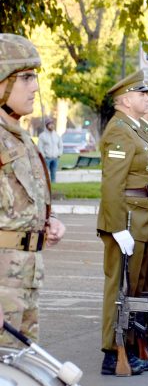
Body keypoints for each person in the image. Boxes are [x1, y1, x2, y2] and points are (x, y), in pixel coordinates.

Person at [0, 34, 66, 346]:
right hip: (4, 284)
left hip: (24, 279)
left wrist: (47, 223)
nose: (35, 87)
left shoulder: (19, 137)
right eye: (26, 77)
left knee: (20, 377)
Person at [97, 69, 148, 376]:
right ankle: (112, 351)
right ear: (124, 100)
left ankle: (131, 342)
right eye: (141, 94)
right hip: (129, 219)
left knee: (134, 290)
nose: (147, 98)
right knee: (118, 287)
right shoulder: (119, 131)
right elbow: (112, 183)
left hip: (143, 218)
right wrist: (117, 226)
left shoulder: (135, 129)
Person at [37, 118, 63, 183]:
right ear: (46, 125)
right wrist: (44, 156)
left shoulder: (56, 135)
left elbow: (60, 146)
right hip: (47, 158)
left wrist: (59, 154)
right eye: (50, 124)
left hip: (55, 158)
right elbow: (40, 147)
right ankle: (46, 186)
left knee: (53, 173)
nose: (52, 126)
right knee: (45, 174)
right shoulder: (42, 136)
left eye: (52, 124)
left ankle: (53, 185)